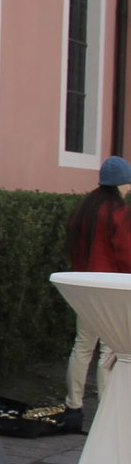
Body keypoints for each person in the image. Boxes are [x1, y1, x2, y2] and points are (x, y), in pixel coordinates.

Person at [59, 156, 131, 432]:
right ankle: (106, 411)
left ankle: (73, 409)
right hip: (111, 289)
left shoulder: (83, 210)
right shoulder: (119, 214)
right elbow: (126, 254)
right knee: (109, 351)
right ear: (121, 183)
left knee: (82, 347)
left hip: (84, 287)